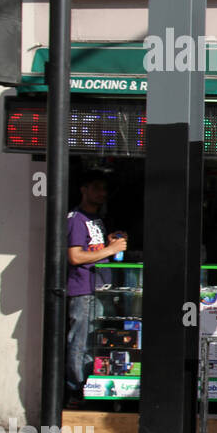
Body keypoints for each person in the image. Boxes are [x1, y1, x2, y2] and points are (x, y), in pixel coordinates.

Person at [66, 172, 127, 404]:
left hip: (101, 289)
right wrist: (110, 251)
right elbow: (74, 255)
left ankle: (92, 388)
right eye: (97, 188)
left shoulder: (95, 219)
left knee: (98, 342)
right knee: (81, 342)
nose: (102, 194)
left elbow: (92, 249)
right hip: (84, 290)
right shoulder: (76, 218)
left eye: (104, 189)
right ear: (84, 189)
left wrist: (110, 243)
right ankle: (76, 391)